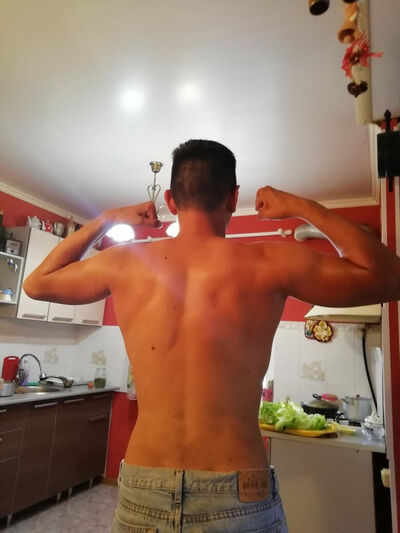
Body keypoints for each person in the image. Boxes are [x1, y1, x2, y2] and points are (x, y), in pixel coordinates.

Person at [24, 139, 400, 533]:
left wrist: (107, 219)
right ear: (234, 198)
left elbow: (37, 283)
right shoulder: (269, 261)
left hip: (145, 486)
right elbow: (391, 277)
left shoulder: (124, 262)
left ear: (170, 200)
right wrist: (302, 207)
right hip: (238, 487)